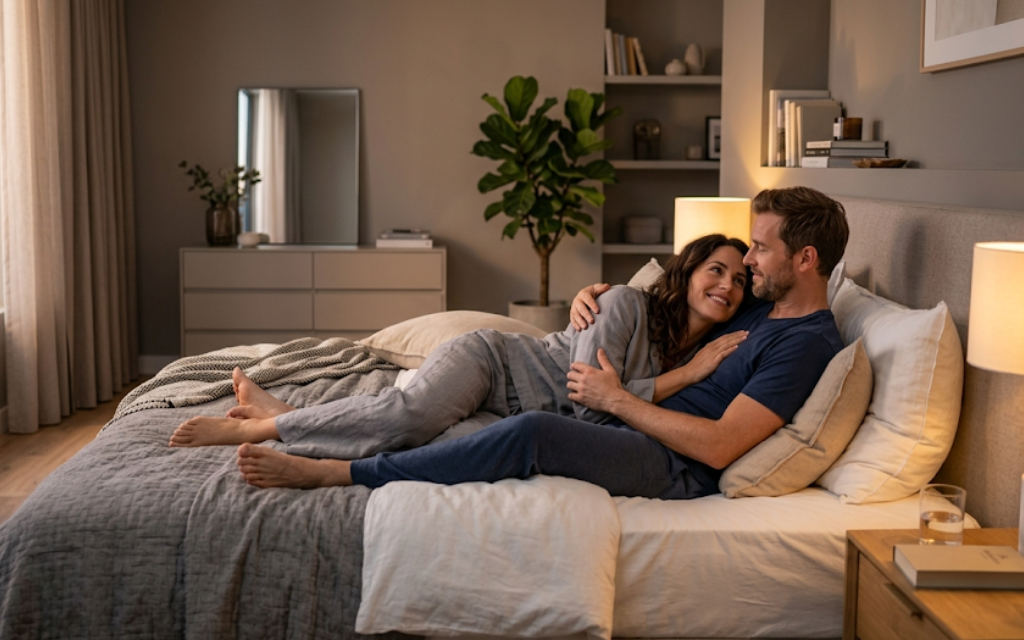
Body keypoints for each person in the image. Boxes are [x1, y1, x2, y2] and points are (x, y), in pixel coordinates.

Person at [228, 186, 850, 500]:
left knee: (528, 435)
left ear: (806, 258)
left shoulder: (805, 342)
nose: (746, 261)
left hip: (671, 461)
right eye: (735, 257)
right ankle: (305, 427)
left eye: (760, 249)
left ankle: (338, 471)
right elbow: (651, 313)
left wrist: (619, 400)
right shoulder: (766, 308)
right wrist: (599, 298)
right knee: (449, 429)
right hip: (628, 422)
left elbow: (718, 446)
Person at [169, 235, 753, 461]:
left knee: (436, 450)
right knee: (410, 415)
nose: (727, 285)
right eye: (716, 270)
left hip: (518, 418)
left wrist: (691, 370)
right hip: (494, 367)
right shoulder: (626, 303)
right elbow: (588, 405)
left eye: (740, 280)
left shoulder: (703, 354)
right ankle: (254, 431)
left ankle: (293, 416)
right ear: (688, 270)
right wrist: (685, 377)